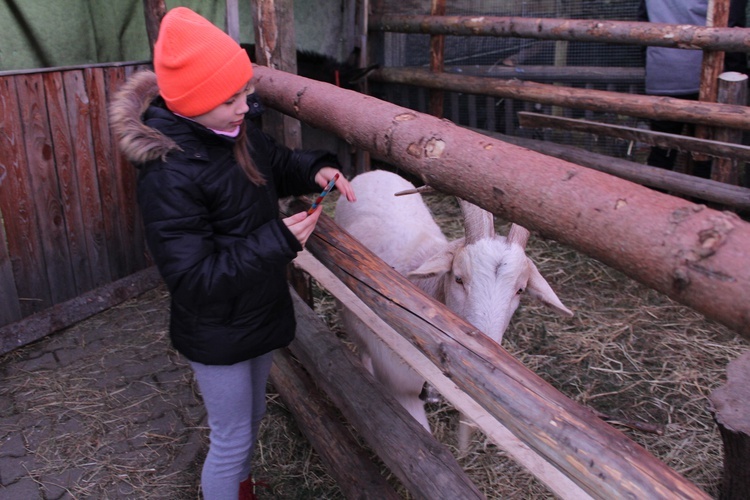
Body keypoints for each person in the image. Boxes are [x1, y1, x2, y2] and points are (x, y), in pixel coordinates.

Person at [108, 7, 356, 499]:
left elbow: (278, 163)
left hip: (257, 308)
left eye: (245, 92)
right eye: (230, 99)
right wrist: (277, 242)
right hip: (216, 327)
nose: (245, 106)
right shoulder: (169, 173)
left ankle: (240, 488)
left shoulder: (231, 132)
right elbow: (192, 279)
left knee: (254, 414)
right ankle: (227, 486)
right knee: (231, 435)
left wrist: (316, 170)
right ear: (193, 102)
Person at [638, 0, 748, 178]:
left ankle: (653, 201)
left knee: (662, 152)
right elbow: (732, 28)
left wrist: (653, 64)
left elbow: (642, 26)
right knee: (707, 156)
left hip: (662, 76)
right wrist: (738, 77)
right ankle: (702, 203)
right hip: (707, 80)